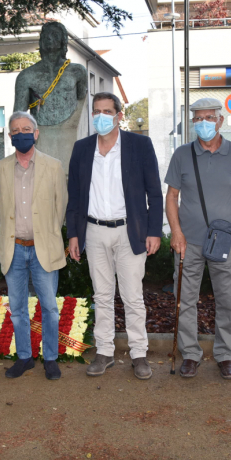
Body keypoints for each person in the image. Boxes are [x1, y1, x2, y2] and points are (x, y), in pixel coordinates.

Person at [66, 92, 163, 380]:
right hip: (94, 231)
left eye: (107, 111)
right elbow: (74, 196)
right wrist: (73, 235)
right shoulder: (82, 148)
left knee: (133, 297)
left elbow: (155, 192)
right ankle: (105, 351)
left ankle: (139, 354)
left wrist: (154, 231)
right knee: (102, 295)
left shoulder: (139, 145)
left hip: (130, 230)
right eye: (96, 111)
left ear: (119, 116)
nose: (101, 116)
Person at [165, 97, 231, 380]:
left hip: (225, 241)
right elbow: (172, 196)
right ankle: (190, 354)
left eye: (209, 118)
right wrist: (176, 233)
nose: (203, 123)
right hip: (188, 242)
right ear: (192, 123)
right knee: (185, 300)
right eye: (198, 118)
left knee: (227, 299)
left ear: (220, 121)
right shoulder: (182, 154)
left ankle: (226, 355)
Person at [0, 111, 67, 380]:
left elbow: (60, 209)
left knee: (49, 308)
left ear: (36, 134)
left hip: (43, 249)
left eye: (26, 128)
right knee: (18, 309)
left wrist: (46, 235)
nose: (20, 133)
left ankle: (50, 358)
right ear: (10, 135)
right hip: (14, 249)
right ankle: (24, 357)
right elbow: (2, 210)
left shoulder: (54, 166)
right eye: (15, 129)